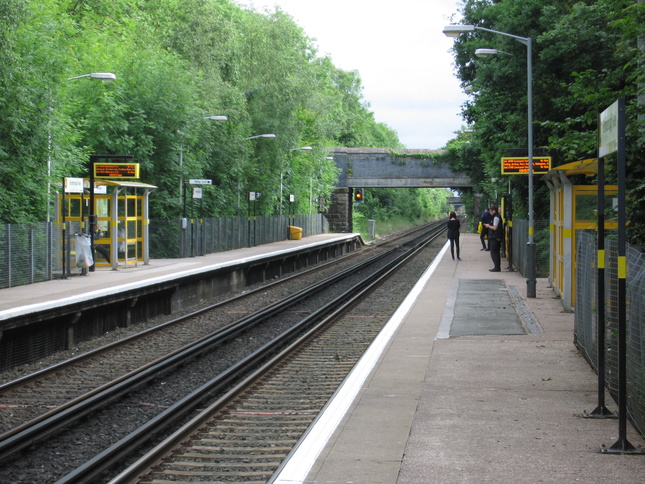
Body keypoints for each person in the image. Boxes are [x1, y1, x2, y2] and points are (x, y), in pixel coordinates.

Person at [484, 205, 503, 272]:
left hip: (495, 237)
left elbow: (495, 228)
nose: (490, 212)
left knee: (494, 252)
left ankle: (497, 267)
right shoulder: (496, 217)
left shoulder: (496, 218)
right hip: (496, 237)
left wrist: (488, 226)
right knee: (496, 252)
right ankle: (497, 266)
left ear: (493, 211)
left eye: (490, 211)